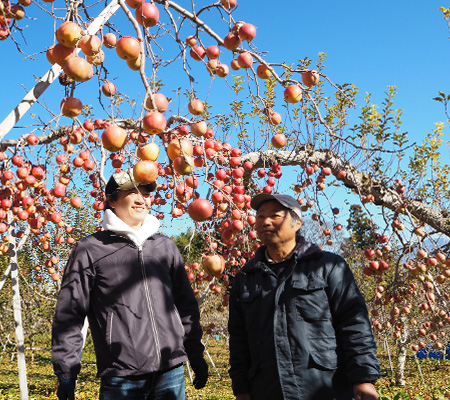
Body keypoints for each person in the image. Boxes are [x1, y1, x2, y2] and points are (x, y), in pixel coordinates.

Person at [52, 170, 208, 400]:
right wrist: (66, 371)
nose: (141, 198)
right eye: (132, 192)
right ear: (112, 200)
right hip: (122, 375)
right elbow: (70, 313)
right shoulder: (90, 249)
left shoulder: (165, 247)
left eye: (145, 193)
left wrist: (195, 352)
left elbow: (185, 305)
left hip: (171, 370)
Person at [228, 193, 380, 400]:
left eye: (275, 215)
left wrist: (364, 378)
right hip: (267, 388)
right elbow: (238, 339)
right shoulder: (246, 278)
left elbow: (354, 324)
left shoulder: (328, 266)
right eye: (260, 216)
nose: (266, 221)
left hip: (325, 387)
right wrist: (241, 389)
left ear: (297, 223)